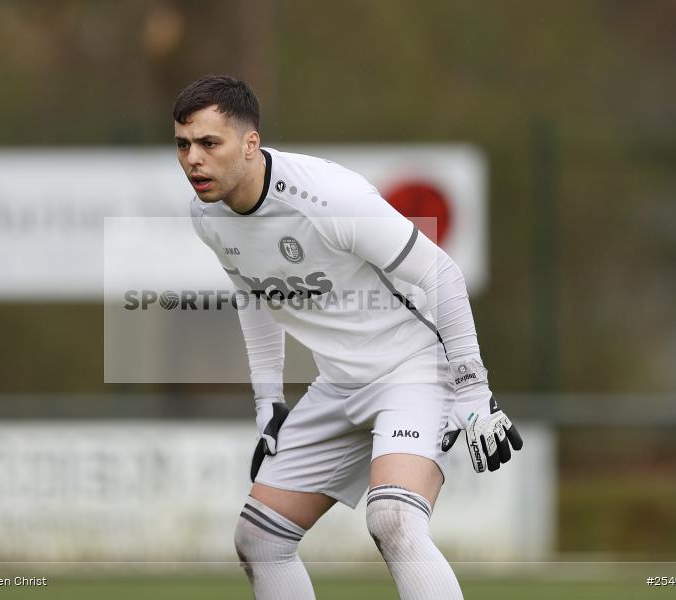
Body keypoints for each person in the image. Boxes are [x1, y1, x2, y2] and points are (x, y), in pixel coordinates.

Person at [173, 74, 522, 600]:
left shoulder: (328, 197)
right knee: (259, 538)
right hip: (338, 385)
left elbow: (442, 274)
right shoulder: (208, 216)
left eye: (208, 143)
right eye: (182, 145)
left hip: (413, 371)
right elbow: (255, 297)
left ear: (250, 144)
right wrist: (268, 401)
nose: (193, 159)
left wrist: (474, 392)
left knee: (394, 521)